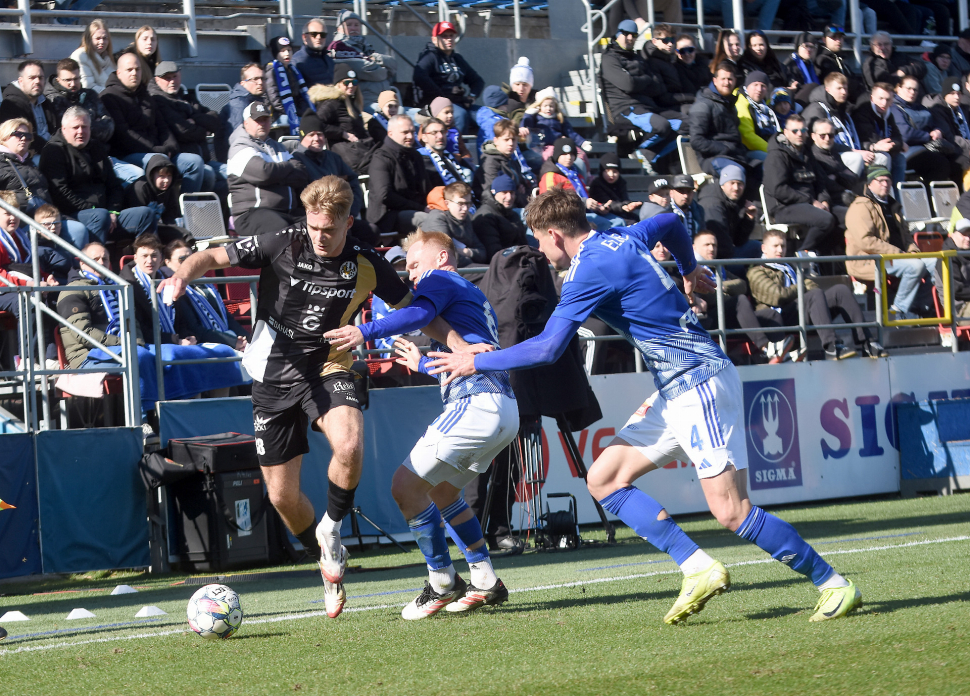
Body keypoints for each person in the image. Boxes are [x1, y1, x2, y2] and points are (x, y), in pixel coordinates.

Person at [427, 188, 863, 624]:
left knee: (731, 510)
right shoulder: (620, 236)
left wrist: (475, 360)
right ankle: (697, 568)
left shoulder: (589, 269)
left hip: (699, 383)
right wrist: (690, 269)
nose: (540, 249)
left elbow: (546, 349)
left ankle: (832, 584)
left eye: (539, 239)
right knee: (604, 478)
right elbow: (672, 222)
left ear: (555, 234)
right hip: (679, 386)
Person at [160, 176, 461, 620]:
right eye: (314, 227)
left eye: (330, 229)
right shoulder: (281, 242)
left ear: (347, 223)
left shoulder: (366, 263)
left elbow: (415, 309)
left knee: (350, 443)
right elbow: (211, 255)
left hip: (329, 364)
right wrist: (181, 276)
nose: (320, 237)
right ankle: (323, 561)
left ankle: (333, 528)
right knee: (282, 496)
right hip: (271, 373)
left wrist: (459, 344)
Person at [323, 230, 517, 618]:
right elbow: (457, 358)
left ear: (442, 257)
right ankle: (484, 579)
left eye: (414, 264)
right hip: (502, 407)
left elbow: (420, 314)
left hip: (477, 403)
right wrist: (423, 363)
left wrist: (364, 331)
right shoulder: (466, 294)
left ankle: (442, 580)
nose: (411, 275)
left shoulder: (440, 279)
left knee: (405, 487)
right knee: (442, 492)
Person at [749, 229, 885, 359]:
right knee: (814, 295)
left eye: (783, 246)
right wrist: (802, 287)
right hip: (779, 318)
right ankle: (832, 346)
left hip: (800, 309)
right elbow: (778, 296)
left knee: (840, 290)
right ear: (764, 248)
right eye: (775, 246)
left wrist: (802, 288)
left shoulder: (789, 267)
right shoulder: (756, 271)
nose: (780, 250)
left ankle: (867, 343)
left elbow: (813, 285)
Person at [39, 107, 157, 246]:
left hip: (106, 214)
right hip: (74, 215)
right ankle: (96, 264)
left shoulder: (96, 147)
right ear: (64, 129)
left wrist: (113, 211)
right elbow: (60, 193)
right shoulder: (54, 151)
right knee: (100, 216)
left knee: (145, 214)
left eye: (84, 127)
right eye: (75, 127)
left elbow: (114, 186)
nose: (80, 131)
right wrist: (96, 210)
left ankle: (145, 261)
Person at [101, 52, 205, 192]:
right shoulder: (109, 97)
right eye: (129, 70)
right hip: (128, 154)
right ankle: (165, 211)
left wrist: (170, 147)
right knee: (160, 161)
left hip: (158, 152)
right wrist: (158, 151)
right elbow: (125, 135)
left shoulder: (146, 95)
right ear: (119, 73)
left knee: (195, 162)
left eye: (137, 69)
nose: (134, 73)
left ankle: (188, 210)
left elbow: (162, 126)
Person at [844, 166, 937, 320]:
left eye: (888, 180)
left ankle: (918, 305)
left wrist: (913, 251)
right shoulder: (860, 206)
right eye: (880, 180)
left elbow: (907, 236)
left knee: (936, 263)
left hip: (897, 258)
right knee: (915, 266)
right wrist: (900, 254)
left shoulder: (893, 206)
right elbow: (866, 242)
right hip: (871, 260)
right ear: (870, 183)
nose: (885, 184)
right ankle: (897, 310)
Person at [691, 229, 793, 364]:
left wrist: (724, 287)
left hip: (730, 315)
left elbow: (742, 285)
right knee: (740, 300)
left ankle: (779, 355)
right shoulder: (692, 269)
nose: (712, 248)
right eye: (707, 245)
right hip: (710, 319)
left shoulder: (718, 267)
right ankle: (766, 348)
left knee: (771, 314)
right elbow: (710, 296)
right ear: (694, 247)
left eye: (714, 245)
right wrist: (722, 290)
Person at [599, 20, 681, 168]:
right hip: (626, 109)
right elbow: (628, 85)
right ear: (618, 34)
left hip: (647, 107)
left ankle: (646, 154)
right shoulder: (609, 58)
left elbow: (656, 87)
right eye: (626, 34)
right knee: (662, 126)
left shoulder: (637, 57)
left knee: (686, 125)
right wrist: (644, 80)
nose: (630, 38)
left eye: (634, 35)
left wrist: (638, 81)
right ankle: (639, 151)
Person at [764, 114, 849, 255]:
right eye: (795, 131)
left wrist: (824, 200)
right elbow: (778, 190)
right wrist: (811, 201)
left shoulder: (807, 153)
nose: (800, 134)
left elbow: (820, 182)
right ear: (786, 132)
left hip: (810, 204)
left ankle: (819, 253)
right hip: (784, 207)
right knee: (825, 219)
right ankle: (803, 253)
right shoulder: (776, 156)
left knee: (849, 217)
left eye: (803, 131)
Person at [283, 112, 374, 244]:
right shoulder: (295, 160)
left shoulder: (333, 158)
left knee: (370, 231)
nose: (317, 138)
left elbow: (352, 181)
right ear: (302, 136)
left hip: (339, 215)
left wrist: (349, 210)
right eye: (311, 134)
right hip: (311, 217)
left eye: (320, 134)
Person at [226, 101, 309, 238]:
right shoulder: (239, 147)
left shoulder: (278, 147)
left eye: (265, 119)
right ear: (246, 123)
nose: (262, 123)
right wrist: (287, 167)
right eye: (258, 120)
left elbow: (301, 174)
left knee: (321, 223)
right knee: (283, 229)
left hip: (286, 212)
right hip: (251, 214)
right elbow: (264, 173)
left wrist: (276, 177)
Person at [149, 61, 225, 197]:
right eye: (167, 78)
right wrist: (203, 130)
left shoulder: (187, 98)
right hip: (180, 157)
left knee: (232, 173)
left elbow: (215, 119)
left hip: (205, 158)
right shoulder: (158, 100)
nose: (172, 81)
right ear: (157, 80)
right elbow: (183, 131)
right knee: (207, 173)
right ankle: (189, 212)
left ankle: (219, 214)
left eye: (175, 76)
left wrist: (194, 119)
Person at [162, 240, 248, 351]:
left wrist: (247, 340)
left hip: (226, 338)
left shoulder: (205, 283)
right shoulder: (174, 289)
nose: (188, 263)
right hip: (203, 343)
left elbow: (227, 318)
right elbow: (195, 328)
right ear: (167, 262)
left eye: (191, 258)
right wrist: (232, 342)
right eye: (182, 259)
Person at [412, 21, 484, 134]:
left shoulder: (457, 59)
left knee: (485, 115)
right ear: (435, 39)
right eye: (444, 36)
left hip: (458, 102)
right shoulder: (429, 56)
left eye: (451, 36)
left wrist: (472, 97)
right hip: (437, 104)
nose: (449, 39)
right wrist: (442, 96)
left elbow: (478, 81)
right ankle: (456, 149)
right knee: (460, 115)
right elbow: (419, 76)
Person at [538, 137, 625, 231]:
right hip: (566, 218)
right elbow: (550, 203)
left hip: (583, 213)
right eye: (564, 154)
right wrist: (583, 203)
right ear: (556, 156)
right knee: (609, 225)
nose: (569, 157)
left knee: (619, 222)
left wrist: (599, 206)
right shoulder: (551, 175)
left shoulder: (575, 174)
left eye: (572, 154)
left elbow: (585, 197)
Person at [891, 75, 964, 184]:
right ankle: (930, 197)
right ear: (899, 88)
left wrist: (938, 130)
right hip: (908, 150)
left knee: (958, 160)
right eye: (909, 89)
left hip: (928, 148)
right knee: (940, 163)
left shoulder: (920, 107)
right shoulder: (894, 108)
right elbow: (905, 134)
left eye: (915, 89)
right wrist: (929, 136)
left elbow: (934, 124)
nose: (912, 92)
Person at [366, 114, 428, 240]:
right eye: (405, 132)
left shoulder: (415, 156)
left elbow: (426, 188)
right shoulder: (380, 158)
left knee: (447, 215)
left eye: (412, 132)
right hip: (389, 216)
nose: (410, 136)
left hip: (417, 209)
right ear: (390, 133)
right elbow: (385, 196)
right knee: (426, 220)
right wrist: (420, 208)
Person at [311, 63, 375, 174]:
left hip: (361, 151)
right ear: (338, 84)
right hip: (350, 156)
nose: (351, 86)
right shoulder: (332, 103)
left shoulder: (351, 103)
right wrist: (342, 134)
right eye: (346, 82)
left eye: (354, 82)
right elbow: (315, 124)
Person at [688, 61, 748, 178]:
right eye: (723, 79)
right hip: (712, 158)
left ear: (735, 81)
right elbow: (697, 141)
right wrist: (725, 148)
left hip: (736, 154)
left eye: (730, 79)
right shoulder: (703, 105)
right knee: (736, 172)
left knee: (768, 166)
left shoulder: (730, 103)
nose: (727, 83)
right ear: (715, 81)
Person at [327, 11, 397, 110]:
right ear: (339, 29)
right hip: (363, 100)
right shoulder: (339, 46)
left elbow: (393, 64)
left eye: (356, 25)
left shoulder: (363, 45)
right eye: (349, 25)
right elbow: (369, 70)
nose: (353, 28)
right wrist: (381, 67)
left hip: (383, 98)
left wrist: (375, 59)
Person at [43, 58, 114, 145]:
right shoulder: (53, 100)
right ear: (58, 80)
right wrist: (94, 122)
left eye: (76, 79)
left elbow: (109, 126)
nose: (73, 84)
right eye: (68, 80)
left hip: (99, 150)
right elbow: (66, 134)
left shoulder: (90, 95)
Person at [123, 154, 192, 244]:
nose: (166, 180)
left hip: (158, 226)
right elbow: (140, 220)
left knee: (182, 234)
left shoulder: (169, 189)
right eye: (162, 176)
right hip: (139, 228)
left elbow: (170, 216)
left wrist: (174, 229)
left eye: (169, 176)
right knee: (183, 234)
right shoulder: (140, 188)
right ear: (152, 175)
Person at [697, 164, 760, 261]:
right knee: (757, 249)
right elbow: (722, 244)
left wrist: (748, 218)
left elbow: (738, 240)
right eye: (732, 183)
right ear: (722, 185)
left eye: (740, 184)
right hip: (718, 258)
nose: (736, 188)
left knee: (757, 246)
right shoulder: (713, 205)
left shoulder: (730, 200)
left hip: (727, 251)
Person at [854, 82, 908, 186]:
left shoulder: (888, 115)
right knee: (884, 157)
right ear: (872, 98)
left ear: (892, 101)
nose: (884, 103)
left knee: (900, 158)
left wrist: (894, 144)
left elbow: (898, 138)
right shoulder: (862, 113)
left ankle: (897, 196)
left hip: (883, 150)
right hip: (865, 151)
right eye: (880, 98)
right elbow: (871, 139)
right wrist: (895, 144)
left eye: (888, 99)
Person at [475, 118, 536, 208]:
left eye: (513, 139)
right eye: (506, 140)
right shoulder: (490, 163)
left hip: (516, 204)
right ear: (496, 141)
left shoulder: (511, 160)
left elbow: (522, 186)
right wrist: (517, 192)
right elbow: (494, 193)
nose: (511, 143)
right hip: (500, 210)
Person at [420, 182, 485, 267]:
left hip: (464, 267)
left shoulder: (466, 219)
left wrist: (465, 252)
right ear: (447, 203)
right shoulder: (438, 219)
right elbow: (446, 256)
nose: (465, 209)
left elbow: (482, 253)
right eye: (460, 204)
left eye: (468, 203)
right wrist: (470, 260)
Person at [219, 63, 270, 160]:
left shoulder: (256, 100)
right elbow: (236, 139)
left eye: (263, 79)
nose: (260, 82)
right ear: (243, 83)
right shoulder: (239, 105)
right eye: (255, 79)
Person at [641, 24, 696, 112]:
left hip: (675, 102)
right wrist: (691, 97)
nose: (670, 44)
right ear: (655, 41)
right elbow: (662, 98)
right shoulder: (651, 62)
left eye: (672, 40)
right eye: (665, 40)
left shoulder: (668, 59)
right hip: (663, 107)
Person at [471, 173, 528, 259]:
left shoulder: (513, 215)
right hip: (500, 265)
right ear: (494, 193)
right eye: (504, 192)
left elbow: (523, 244)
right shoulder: (486, 216)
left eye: (512, 193)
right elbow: (494, 253)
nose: (509, 197)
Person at [0, 60, 51, 155]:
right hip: (29, 156)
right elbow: (19, 138)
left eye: (40, 77)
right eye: (32, 78)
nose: (37, 81)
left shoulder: (46, 102)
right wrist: (52, 148)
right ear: (21, 81)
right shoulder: (11, 105)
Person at [264, 36, 312, 137]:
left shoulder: (293, 70)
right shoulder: (271, 70)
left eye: (289, 50)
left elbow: (299, 94)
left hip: (293, 113)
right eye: (282, 51)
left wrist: (304, 112)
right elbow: (274, 99)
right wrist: (292, 113)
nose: (287, 54)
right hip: (277, 117)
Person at [417, 117, 474, 190]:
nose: (440, 136)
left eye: (443, 132)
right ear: (424, 137)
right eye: (434, 133)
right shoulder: (420, 159)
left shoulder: (449, 158)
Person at [736, 71, 781, 162]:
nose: (759, 89)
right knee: (776, 161)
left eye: (763, 86)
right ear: (747, 86)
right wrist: (773, 150)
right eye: (755, 85)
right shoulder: (741, 103)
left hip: (770, 147)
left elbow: (778, 128)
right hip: (748, 151)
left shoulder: (766, 107)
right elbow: (748, 135)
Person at [809, 118, 862, 191]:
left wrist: (836, 176)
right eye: (822, 135)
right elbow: (826, 184)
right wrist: (841, 175)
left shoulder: (833, 152)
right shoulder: (813, 157)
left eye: (831, 135)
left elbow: (853, 178)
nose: (827, 139)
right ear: (813, 136)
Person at [862, 33, 926, 92]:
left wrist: (904, 71)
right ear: (872, 46)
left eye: (886, 44)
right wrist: (910, 75)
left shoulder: (900, 56)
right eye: (879, 44)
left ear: (891, 44)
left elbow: (921, 67)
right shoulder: (870, 63)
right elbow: (886, 83)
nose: (883, 48)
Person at [588, 152, 641, 223]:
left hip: (620, 211)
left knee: (638, 219)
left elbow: (625, 199)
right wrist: (623, 207)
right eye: (607, 171)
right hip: (603, 213)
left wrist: (628, 205)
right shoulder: (597, 184)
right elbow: (607, 203)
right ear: (602, 171)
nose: (611, 175)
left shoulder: (621, 182)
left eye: (615, 171)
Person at [71, 20, 115, 93]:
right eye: (97, 38)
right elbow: (88, 87)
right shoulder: (80, 56)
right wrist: (114, 94)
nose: (101, 42)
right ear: (89, 39)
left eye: (105, 38)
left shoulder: (108, 57)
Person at [940, 218, 970, 318]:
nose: (968, 238)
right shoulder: (946, 257)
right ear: (953, 234)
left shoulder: (966, 252)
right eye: (963, 234)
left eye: (969, 234)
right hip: (959, 310)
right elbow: (956, 291)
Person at [292, 18, 334, 88]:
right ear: (304, 37)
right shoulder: (297, 62)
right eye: (313, 34)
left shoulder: (328, 59)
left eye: (322, 35)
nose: (319, 37)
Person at [784, 33, 821, 105]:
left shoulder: (812, 64)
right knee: (814, 86)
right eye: (806, 46)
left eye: (812, 47)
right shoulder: (790, 65)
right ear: (798, 46)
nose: (809, 49)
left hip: (811, 100)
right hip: (796, 102)